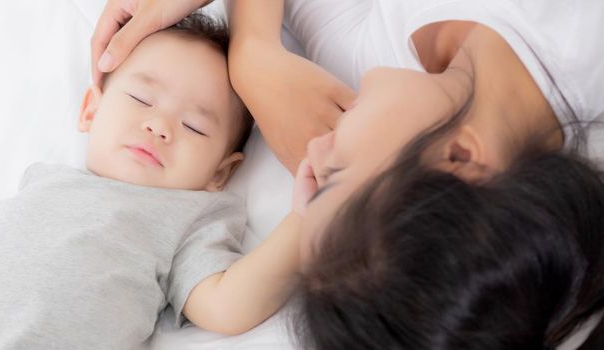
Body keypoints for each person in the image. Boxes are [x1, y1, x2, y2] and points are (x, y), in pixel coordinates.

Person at [91, 0, 604, 348]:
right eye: (335, 175)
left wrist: (254, 57)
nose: (311, 147)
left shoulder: (365, 69)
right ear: (460, 159)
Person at [0, 14, 311, 349]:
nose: (159, 125)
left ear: (220, 173)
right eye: (141, 97)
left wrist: (309, 218)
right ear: (91, 109)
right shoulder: (43, 187)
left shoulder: (182, 217)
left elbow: (225, 304)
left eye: (194, 126)